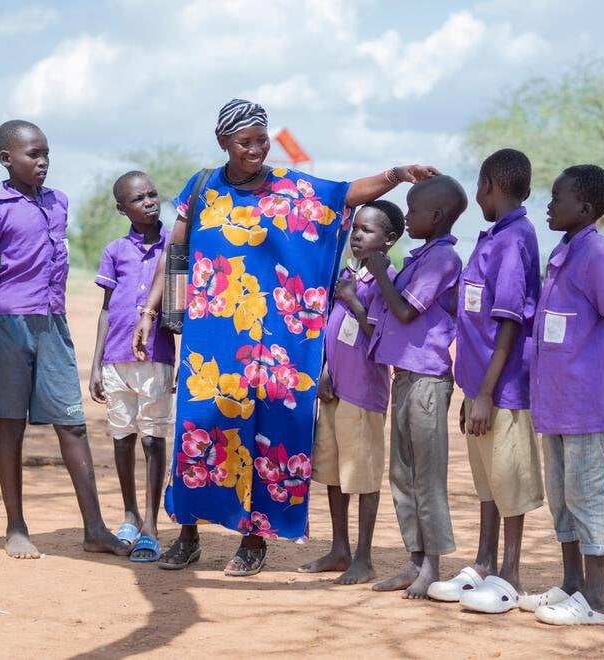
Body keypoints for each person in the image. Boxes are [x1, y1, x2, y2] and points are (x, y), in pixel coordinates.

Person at [132, 98, 439, 576]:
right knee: (198, 428)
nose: (256, 150)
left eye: (261, 140)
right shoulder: (201, 186)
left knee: (268, 429)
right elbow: (176, 247)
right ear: (222, 142)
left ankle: (255, 540)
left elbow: (347, 194)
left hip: (274, 341)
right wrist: (154, 310)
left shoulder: (292, 188)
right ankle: (188, 533)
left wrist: (397, 173)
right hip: (210, 334)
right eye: (245, 142)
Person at [0, 119, 120, 559]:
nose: (42, 162)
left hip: (54, 324)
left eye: (46, 154)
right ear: (6, 159)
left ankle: (95, 528)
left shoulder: (59, 203)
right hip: (10, 324)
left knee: (72, 423)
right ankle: (16, 526)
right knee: (11, 423)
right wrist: (8, 311)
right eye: (32, 154)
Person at [427, 149, 544, 612]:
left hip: (505, 388)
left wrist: (488, 392)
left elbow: (510, 320)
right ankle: (482, 563)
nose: (477, 196)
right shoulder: (491, 237)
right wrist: (471, 390)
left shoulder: (516, 238)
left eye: (478, 188)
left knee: (508, 481)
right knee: (487, 483)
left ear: (490, 185)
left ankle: (510, 574)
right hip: (480, 386)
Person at [525, 165, 604, 625]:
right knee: (561, 496)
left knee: (585, 495)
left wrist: (603, 378)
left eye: (558, 197)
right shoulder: (564, 250)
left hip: (583, 403)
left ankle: (597, 601)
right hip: (555, 402)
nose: (549, 205)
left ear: (585, 209)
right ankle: (571, 585)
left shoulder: (596, 254)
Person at [365, 176, 467, 599]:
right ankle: (415, 559)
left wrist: (378, 271)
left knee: (427, 477)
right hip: (404, 376)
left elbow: (406, 311)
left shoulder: (443, 260)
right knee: (401, 475)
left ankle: (433, 566)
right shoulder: (419, 256)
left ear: (437, 216)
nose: (407, 218)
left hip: (427, 380)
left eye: (413, 211)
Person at [297, 201, 401, 585]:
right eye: (355, 228)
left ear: (389, 239)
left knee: (363, 477)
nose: (357, 235)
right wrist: (324, 370)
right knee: (334, 472)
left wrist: (353, 299)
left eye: (367, 231)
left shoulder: (387, 280)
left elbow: (384, 334)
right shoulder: (347, 273)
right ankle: (339, 548)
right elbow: (333, 330)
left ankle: (364, 557)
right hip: (334, 390)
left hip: (364, 394)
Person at [89, 171, 174, 562]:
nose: (149, 202)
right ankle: (129, 514)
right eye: (139, 199)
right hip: (115, 362)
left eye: (153, 194)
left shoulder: (175, 246)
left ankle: (151, 527)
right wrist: (95, 365)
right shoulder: (115, 251)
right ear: (122, 208)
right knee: (122, 437)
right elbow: (107, 310)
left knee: (153, 440)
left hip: (156, 358)